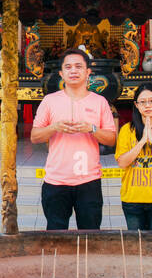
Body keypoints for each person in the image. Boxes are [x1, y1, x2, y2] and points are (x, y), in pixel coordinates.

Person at [30, 48, 116, 230]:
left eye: (79, 66)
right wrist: (54, 128)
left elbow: (111, 139)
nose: (73, 71)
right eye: (68, 67)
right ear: (61, 73)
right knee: (56, 234)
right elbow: (35, 137)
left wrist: (92, 129)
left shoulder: (99, 102)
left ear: (88, 72)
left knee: (90, 234)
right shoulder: (49, 101)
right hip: (56, 181)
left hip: (89, 181)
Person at [114, 85, 152, 232]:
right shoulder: (127, 130)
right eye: (142, 102)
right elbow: (122, 162)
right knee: (136, 246)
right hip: (132, 200)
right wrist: (141, 143)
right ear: (136, 105)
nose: (147, 105)